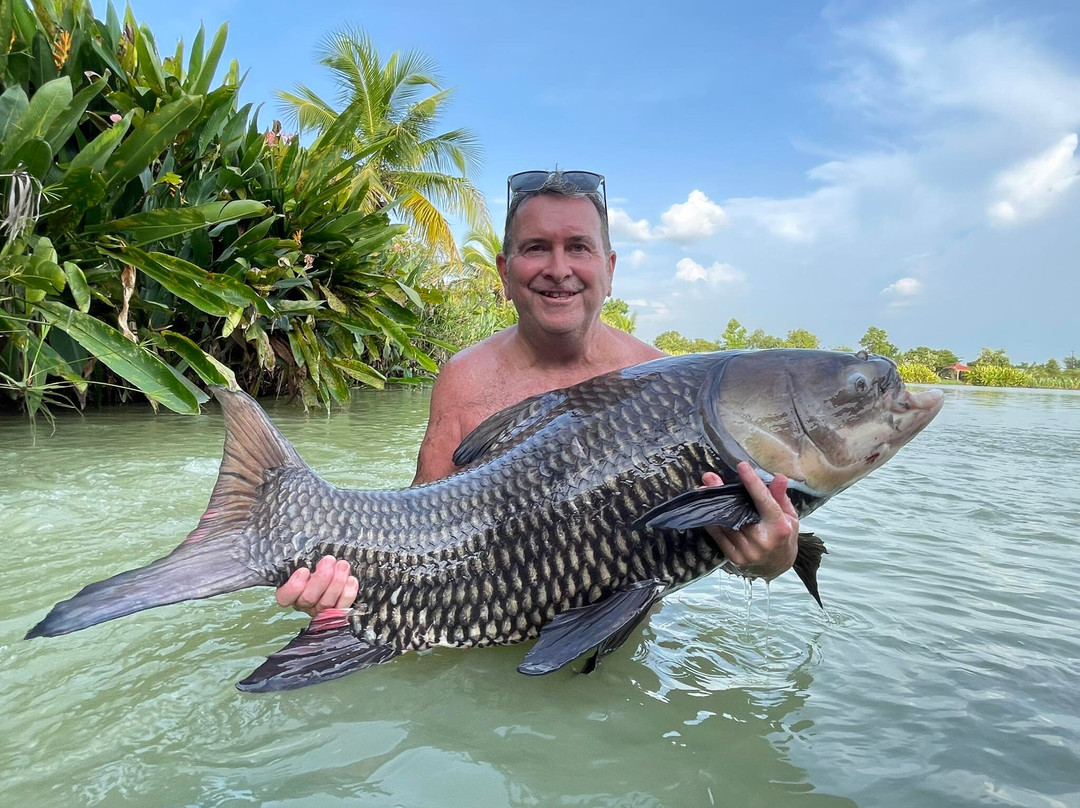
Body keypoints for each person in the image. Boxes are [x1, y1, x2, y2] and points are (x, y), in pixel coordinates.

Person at [275, 170, 799, 617]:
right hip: (474, 637)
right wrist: (335, 579)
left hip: (618, 648)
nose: (558, 269)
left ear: (609, 270)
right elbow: (417, 533)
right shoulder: (464, 376)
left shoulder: (664, 378)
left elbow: (718, 542)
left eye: (578, 247)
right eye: (535, 249)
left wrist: (771, 558)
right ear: (505, 273)